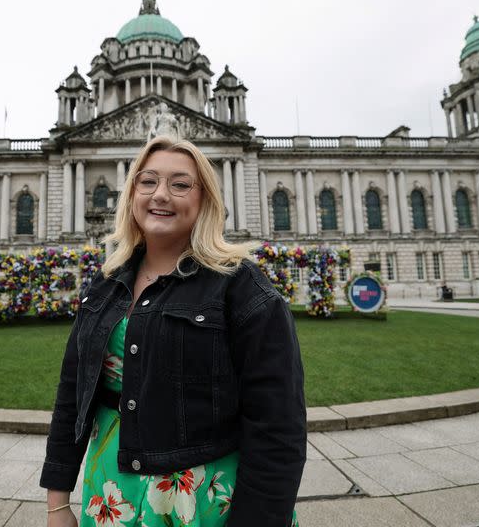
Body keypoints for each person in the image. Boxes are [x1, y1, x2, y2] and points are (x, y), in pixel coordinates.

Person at [40, 136, 306, 526]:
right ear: (131, 196)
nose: (160, 195)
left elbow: (278, 426)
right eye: (147, 182)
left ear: (205, 201)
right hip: (113, 494)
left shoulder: (241, 285)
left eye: (180, 185)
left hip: (203, 502)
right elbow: (73, 396)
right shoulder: (107, 281)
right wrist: (58, 503)